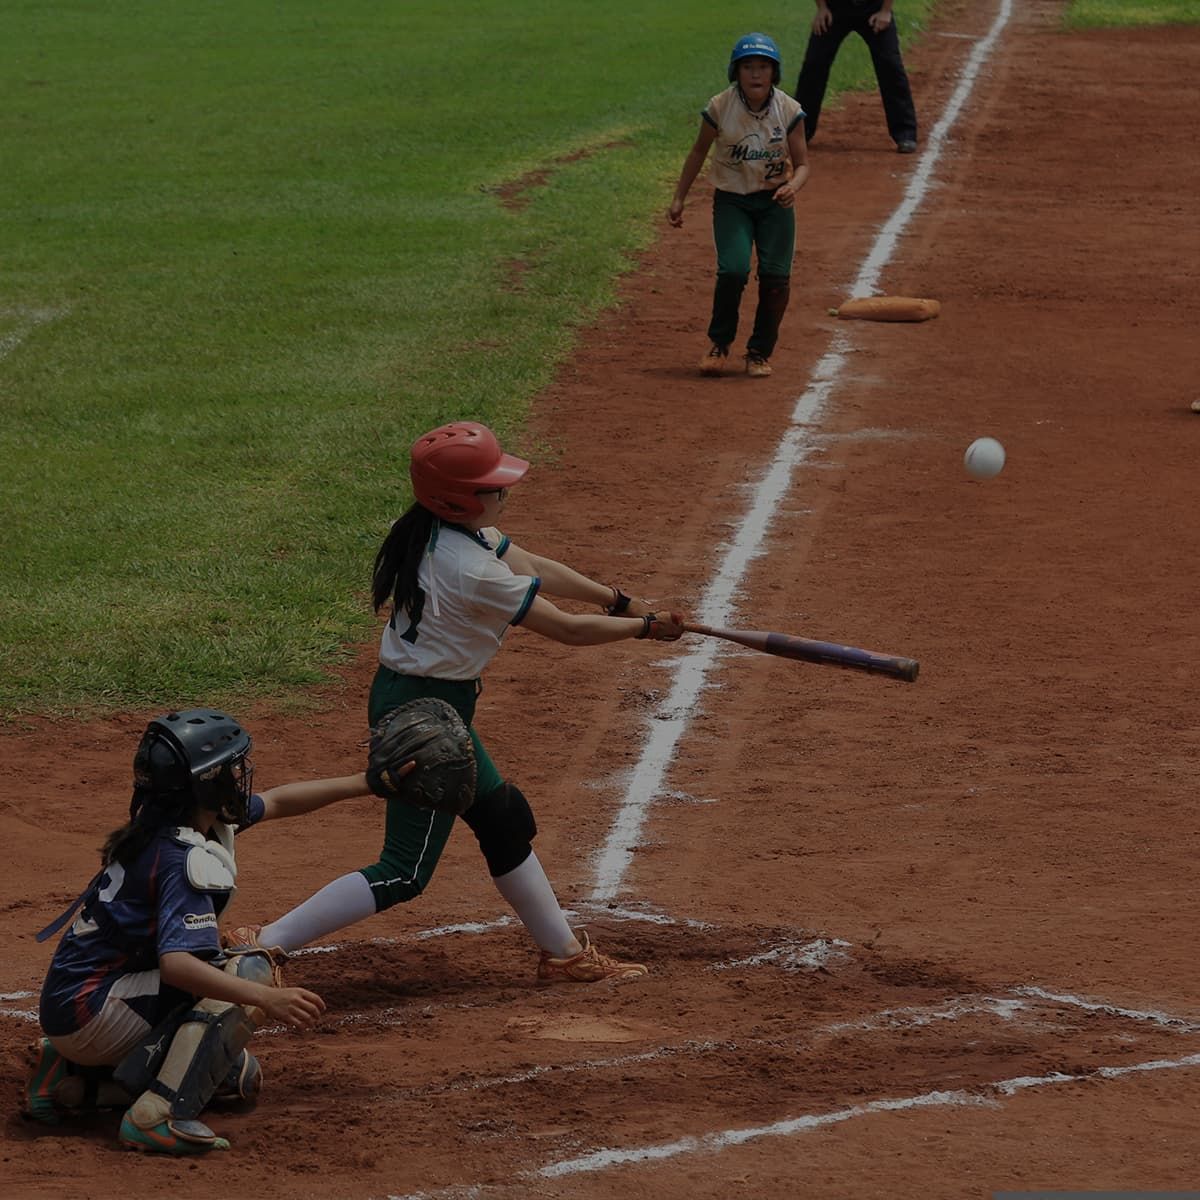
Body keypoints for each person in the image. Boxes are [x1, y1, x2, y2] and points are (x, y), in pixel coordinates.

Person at [230, 421, 686, 983]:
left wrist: (615, 599)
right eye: (494, 485)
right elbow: (567, 632)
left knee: (501, 820)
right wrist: (643, 629)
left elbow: (534, 566)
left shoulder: (441, 531)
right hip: (423, 714)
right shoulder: (470, 569)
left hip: (425, 701)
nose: (504, 491)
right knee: (405, 869)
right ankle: (265, 944)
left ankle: (564, 955)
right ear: (459, 498)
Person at [26, 707, 391, 1155]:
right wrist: (266, 997)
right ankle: (156, 1117)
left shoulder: (166, 823)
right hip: (94, 1011)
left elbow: (278, 800)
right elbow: (178, 966)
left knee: (237, 1079)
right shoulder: (183, 859)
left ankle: (76, 1079)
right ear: (205, 783)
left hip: (81, 1001)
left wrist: (369, 783)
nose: (240, 778)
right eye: (232, 770)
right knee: (251, 970)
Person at [668, 32, 809, 380]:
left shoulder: (789, 110)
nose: (756, 74)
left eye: (763, 67)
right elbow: (699, 151)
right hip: (732, 200)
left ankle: (759, 352)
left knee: (776, 281)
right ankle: (719, 343)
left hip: (776, 202)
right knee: (732, 270)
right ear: (737, 71)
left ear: (774, 73)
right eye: (748, 67)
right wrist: (679, 197)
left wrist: (793, 186)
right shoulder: (720, 106)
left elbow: (803, 163)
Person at [793, 0, 919, 154]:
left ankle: (905, 133)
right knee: (814, 65)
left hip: (874, 9)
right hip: (835, 9)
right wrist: (822, 8)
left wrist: (886, 11)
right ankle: (800, 132)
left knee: (891, 65)